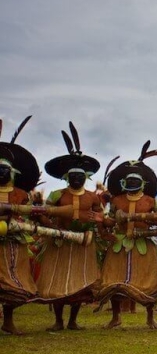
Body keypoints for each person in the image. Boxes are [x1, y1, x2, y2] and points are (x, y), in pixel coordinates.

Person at [96, 141, 157, 329]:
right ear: (123, 183)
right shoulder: (116, 200)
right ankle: (116, 317)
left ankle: (149, 317)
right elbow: (111, 220)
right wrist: (105, 225)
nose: (132, 183)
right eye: (129, 181)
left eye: (135, 181)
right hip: (119, 245)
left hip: (143, 244)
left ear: (143, 183)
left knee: (148, 280)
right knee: (114, 280)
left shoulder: (150, 201)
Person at [36, 122, 103, 331]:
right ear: (66, 177)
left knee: (79, 282)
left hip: (84, 244)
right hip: (61, 242)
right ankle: (58, 320)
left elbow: (101, 215)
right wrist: (52, 228)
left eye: (80, 176)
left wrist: (99, 220)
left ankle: (73, 320)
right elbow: (44, 214)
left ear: (86, 177)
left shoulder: (92, 196)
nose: (76, 179)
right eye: (73, 176)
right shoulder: (58, 195)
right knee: (58, 281)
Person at [0, 116, 40, 335]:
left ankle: (8, 320)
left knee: (13, 283)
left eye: (5, 170)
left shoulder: (21, 194)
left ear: (13, 173)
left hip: (13, 242)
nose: (2, 174)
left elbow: (31, 217)